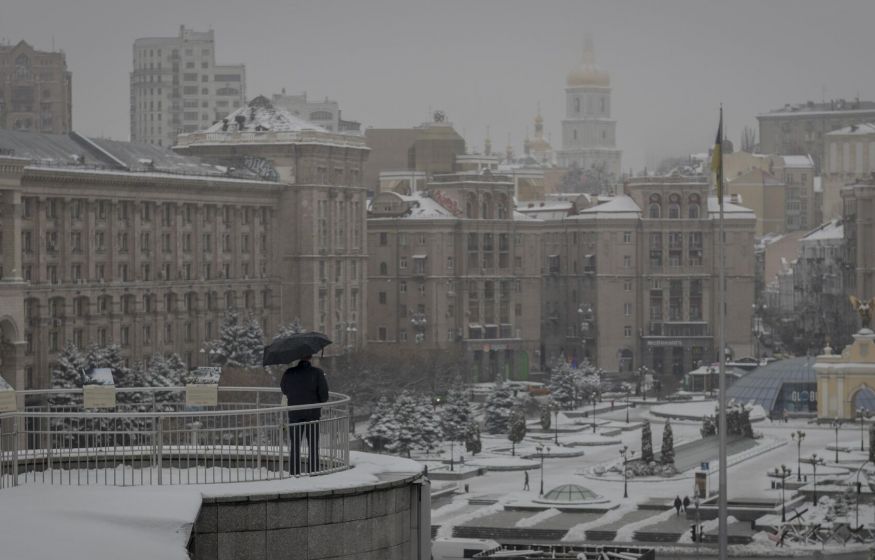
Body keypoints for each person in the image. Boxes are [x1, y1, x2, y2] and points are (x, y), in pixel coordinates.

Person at [281, 355, 329, 475]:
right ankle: (313, 472)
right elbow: (324, 396)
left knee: (295, 445)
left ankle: (295, 473)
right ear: (310, 358)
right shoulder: (317, 373)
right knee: (313, 445)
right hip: (312, 414)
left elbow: (284, 390)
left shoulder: (289, 372)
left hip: (295, 413)